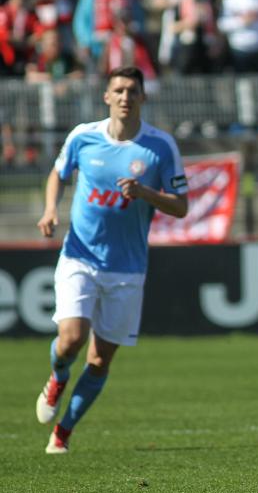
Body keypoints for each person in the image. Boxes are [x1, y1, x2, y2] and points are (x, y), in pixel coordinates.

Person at [35, 66, 189, 454]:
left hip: (127, 268)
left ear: (143, 97)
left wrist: (145, 192)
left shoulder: (161, 146)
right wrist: (51, 209)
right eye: (118, 90)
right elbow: (58, 173)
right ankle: (57, 376)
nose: (125, 97)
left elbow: (181, 206)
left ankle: (63, 432)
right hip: (80, 256)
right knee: (70, 340)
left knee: (100, 359)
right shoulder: (83, 136)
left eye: (132, 90)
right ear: (106, 96)